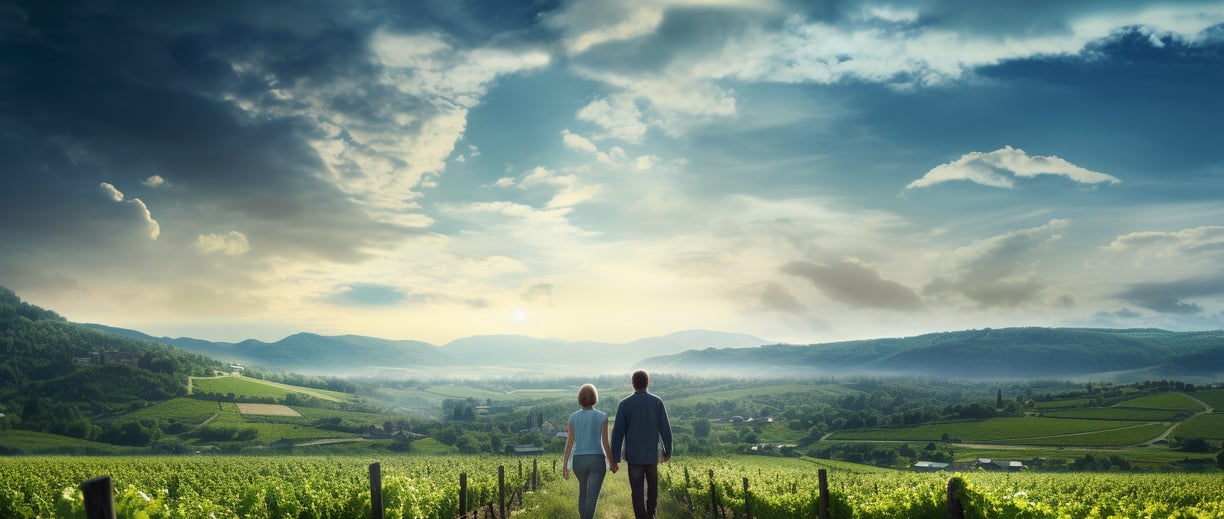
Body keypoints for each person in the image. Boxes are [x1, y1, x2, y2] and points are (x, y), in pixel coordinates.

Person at [611, 370, 672, 519]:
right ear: (647, 382)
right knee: (652, 487)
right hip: (652, 455)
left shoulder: (624, 404)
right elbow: (665, 428)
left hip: (634, 457)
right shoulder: (657, 402)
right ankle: (651, 514)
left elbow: (617, 433)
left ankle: (641, 516)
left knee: (637, 490)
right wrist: (667, 451)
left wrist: (615, 459)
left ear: (633, 383)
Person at [562, 383, 618, 519]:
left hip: (578, 461)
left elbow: (569, 443)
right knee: (592, 497)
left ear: (580, 398)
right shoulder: (602, 417)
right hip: (596, 460)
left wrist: (565, 465)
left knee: (583, 494)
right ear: (594, 398)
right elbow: (605, 443)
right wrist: (612, 462)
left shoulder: (573, 418)